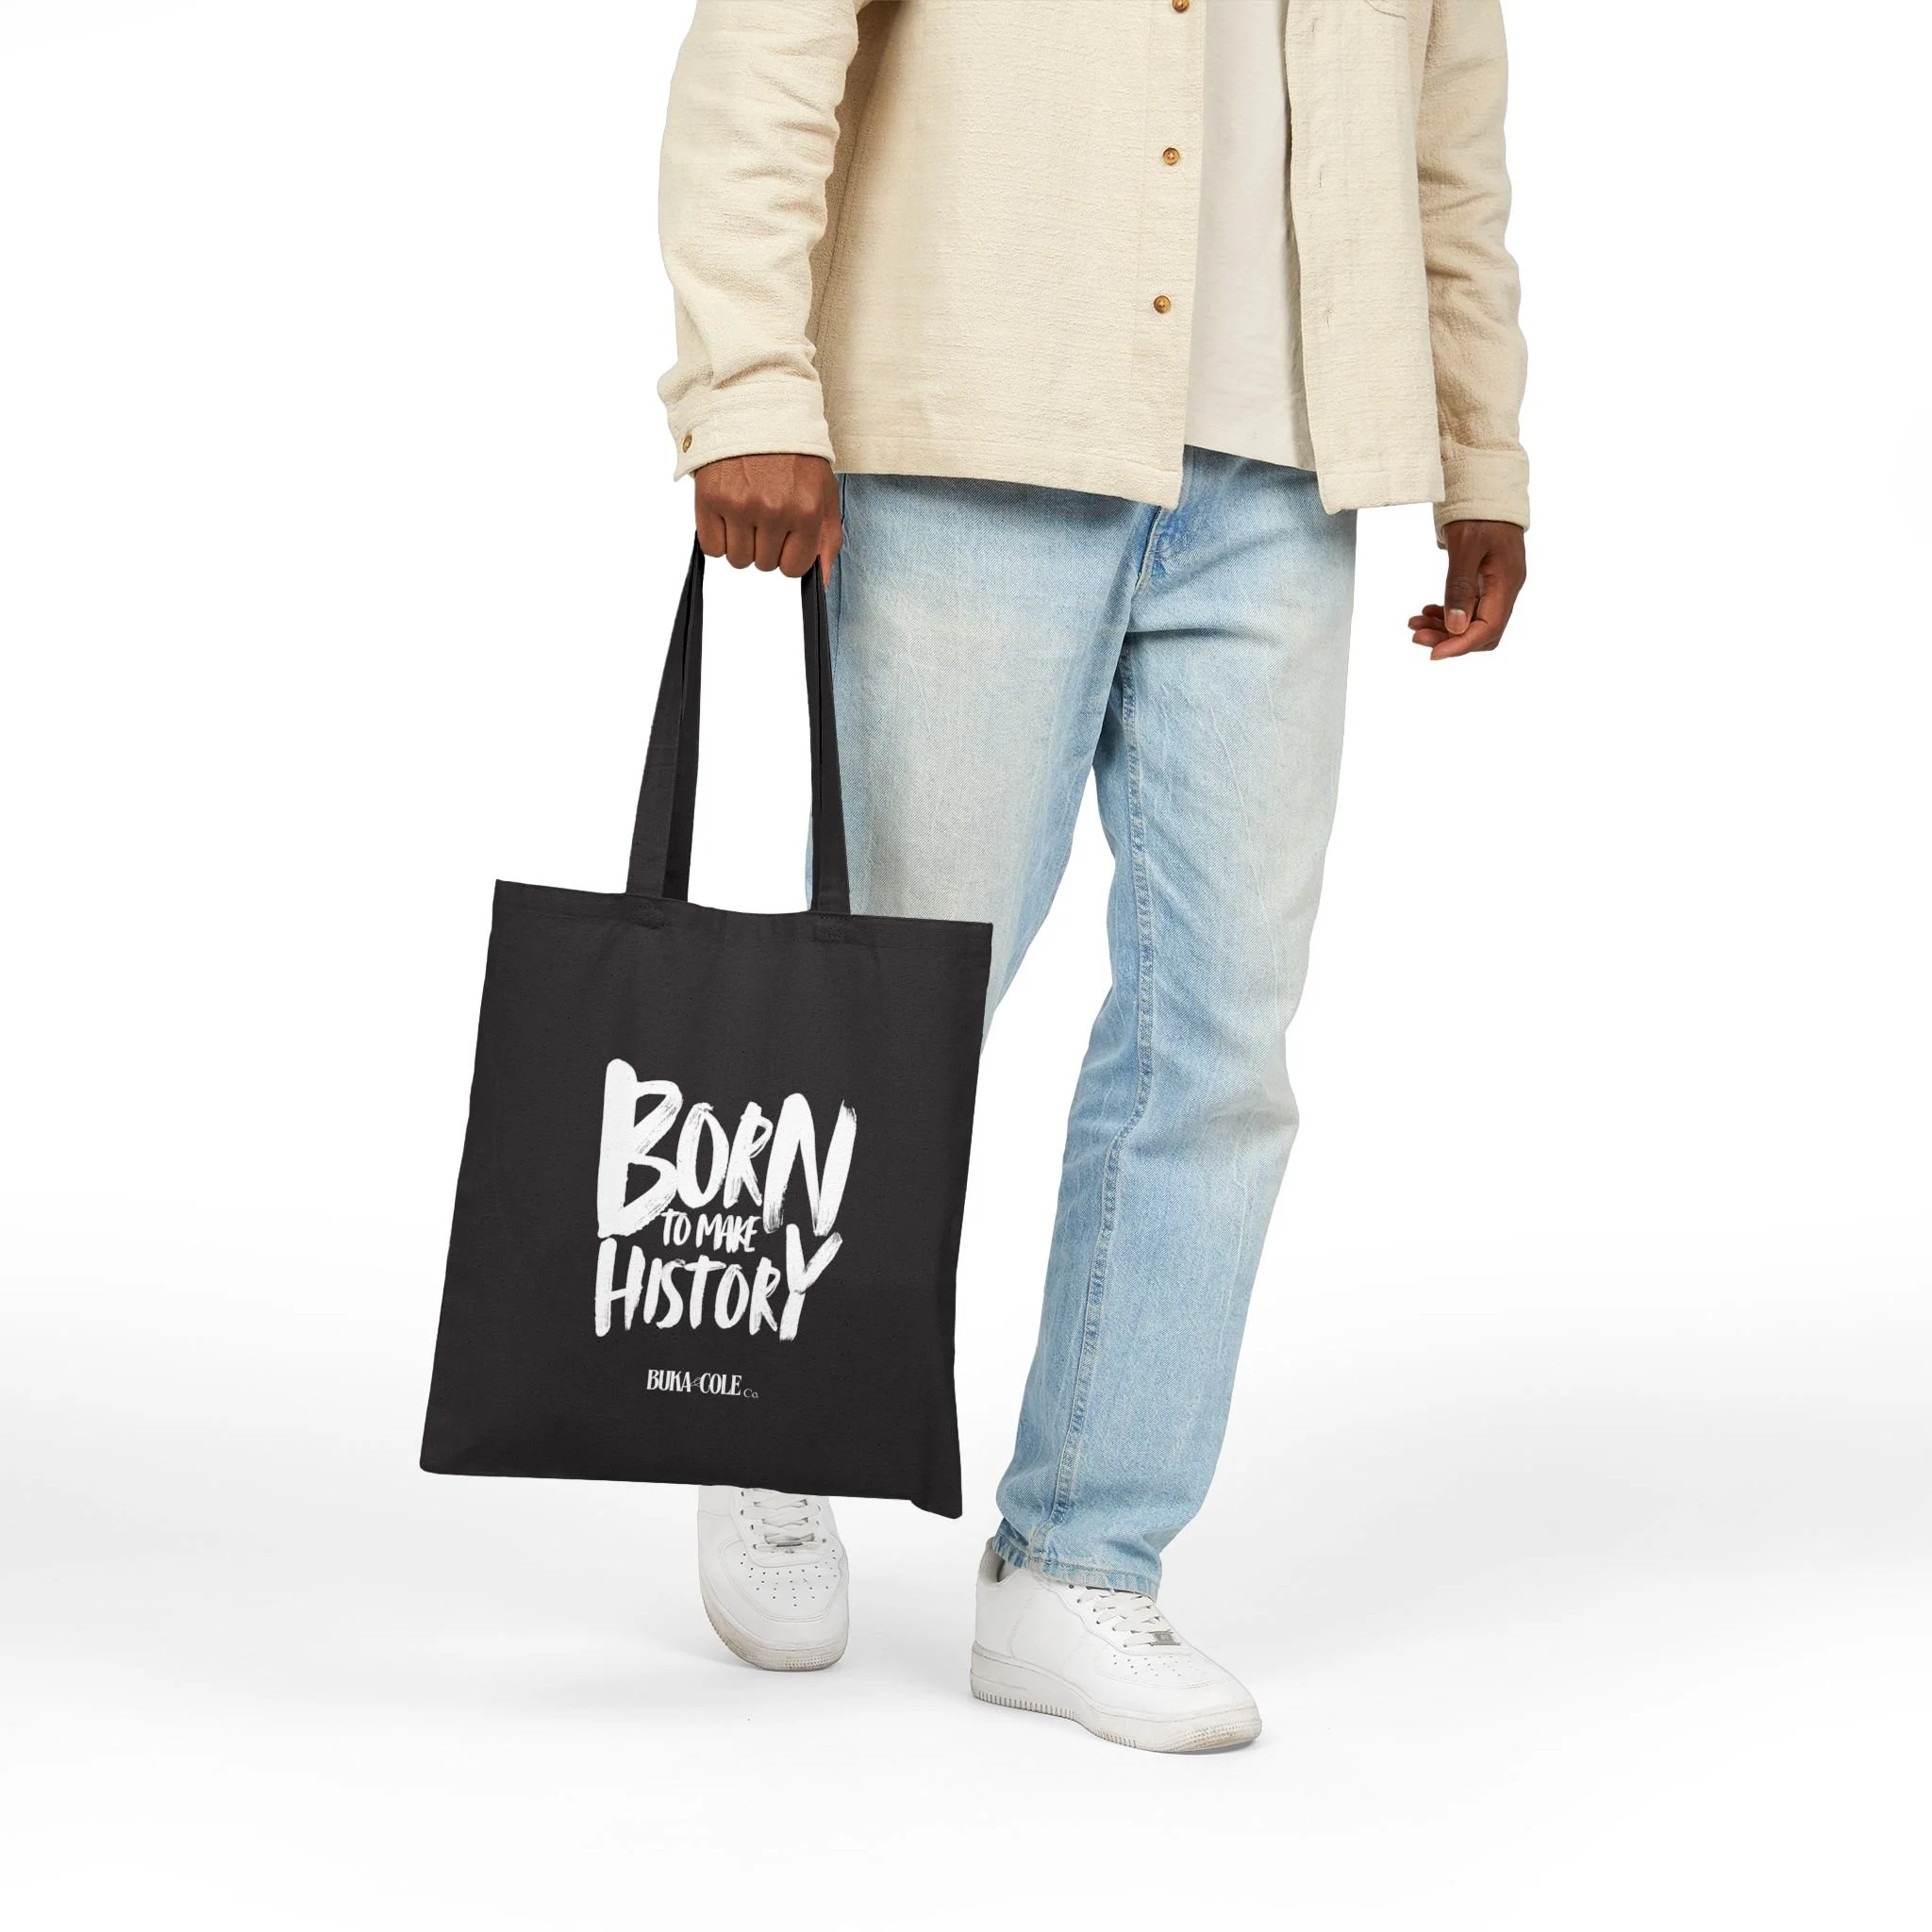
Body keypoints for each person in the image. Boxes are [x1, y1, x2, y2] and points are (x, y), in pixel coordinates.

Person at [662, 0, 1528, 1753]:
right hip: (981, 419)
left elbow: (1450, 139)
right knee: (900, 1011)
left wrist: (1477, 441)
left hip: (1288, 476)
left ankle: (1082, 1556)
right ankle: (771, 1423)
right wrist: (746, 381)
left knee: (1222, 1040)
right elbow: (768, 51)